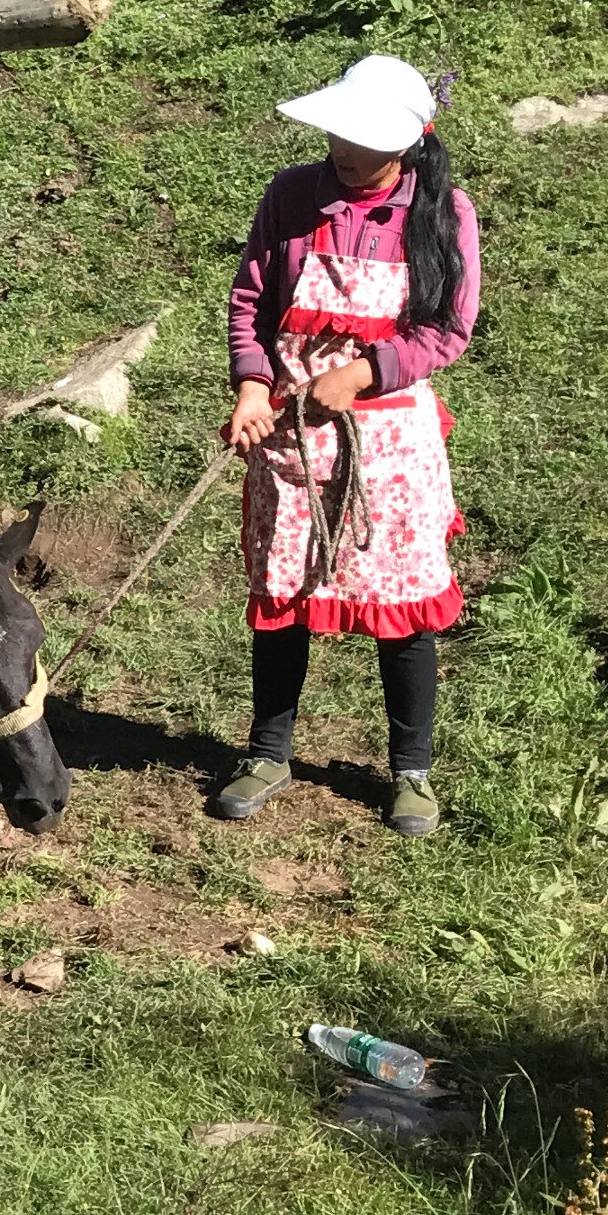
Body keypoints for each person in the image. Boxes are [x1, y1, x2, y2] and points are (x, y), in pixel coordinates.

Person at [213, 54, 481, 836]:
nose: (342, 149)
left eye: (362, 140)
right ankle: (267, 751)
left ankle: (412, 771)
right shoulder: (293, 195)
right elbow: (251, 300)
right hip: (291, 439)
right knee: (283, 598)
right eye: (338, 132)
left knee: (404, 609)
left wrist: (364, 372)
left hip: (389, 443)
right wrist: (253, 386)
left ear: (407, 143)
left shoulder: (442, 212)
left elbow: (447, 330)